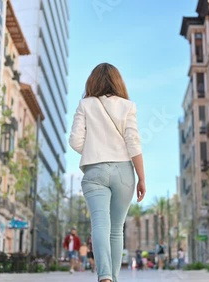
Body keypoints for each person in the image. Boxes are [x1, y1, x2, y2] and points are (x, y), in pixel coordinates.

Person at [69, 63, 146, 282]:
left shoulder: (85, 104)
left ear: (92, 81)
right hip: (124, 172)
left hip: (95, 172)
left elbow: (74, 141)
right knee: (116, 229)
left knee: (100, 224)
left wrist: (93, 150)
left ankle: (105, 278)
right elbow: (134, 143)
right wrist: (142, 178)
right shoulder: (128, 106)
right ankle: (113, 277)